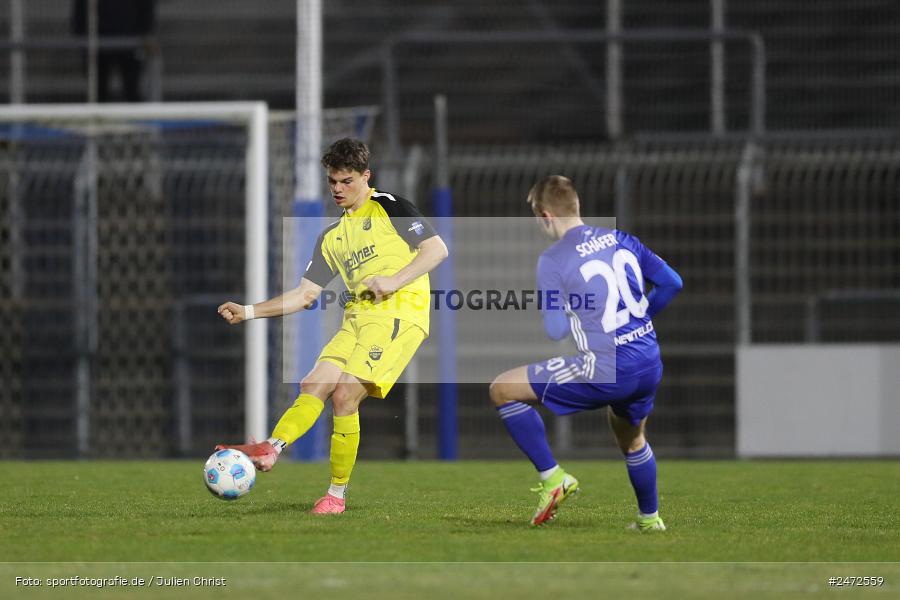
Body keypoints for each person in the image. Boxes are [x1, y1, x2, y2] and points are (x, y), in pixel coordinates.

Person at [216, 138, 448, 514]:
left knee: (344, 396)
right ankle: (271, 449)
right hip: (357, 318)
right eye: (332, 182)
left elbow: (436, 249)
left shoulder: (389, 207)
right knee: (314, 384)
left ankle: (336, 496)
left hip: (399, 315)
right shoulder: (331, 237)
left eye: (347, 181)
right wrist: (248, 311)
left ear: (366, 177)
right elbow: (305, 294)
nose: (338, 189)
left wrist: (393, 280)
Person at [489, 175, 682, 529]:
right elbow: (673, 282)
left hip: (608, 367)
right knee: (632, 436)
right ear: (576, 206)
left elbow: (555, 330)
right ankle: (650, 519)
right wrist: (637, 321)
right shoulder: (622, 239)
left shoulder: (553, 259)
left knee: (502, 389)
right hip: (648, 360)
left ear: (545, 216)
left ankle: (553, 478)